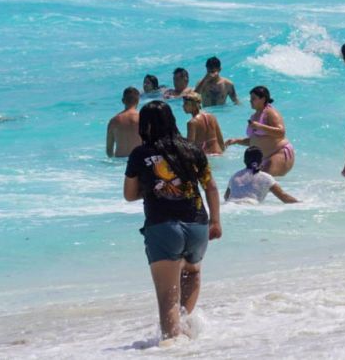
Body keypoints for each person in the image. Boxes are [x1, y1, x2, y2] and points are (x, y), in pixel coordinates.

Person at [122, 101, 221, 341]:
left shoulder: (140, 154)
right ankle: (184, 329)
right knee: (192, 273)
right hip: (197, 224)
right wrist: (215, 221)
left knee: (167, 297)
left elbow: (129, 194)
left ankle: (172, 345)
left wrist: (155, 188)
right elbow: (210, 186)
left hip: (163, 227)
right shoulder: (192, 149)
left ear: (144, 126)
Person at [224, 86, 294, 176]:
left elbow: (281, 132)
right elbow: (255, 141)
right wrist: (237, 141)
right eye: (250, 98)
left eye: (253, 98)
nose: (250, 101)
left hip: (278, 153)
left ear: (263, 99)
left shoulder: (270, 113)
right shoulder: (254, 116)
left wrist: (260, 126)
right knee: (258, 183)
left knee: (262, 183)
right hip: (264, 158)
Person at [225, 147, 298, 204]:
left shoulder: (235, 176)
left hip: (230, 205)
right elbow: (284, 197)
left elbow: (226, 197)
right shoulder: (266, 177)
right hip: (249, 206)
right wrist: (301, 204)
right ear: (261, 161)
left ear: (244, 161)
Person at [180, 89, 225, 156]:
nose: (183, 106)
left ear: (194, 105)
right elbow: (221, 141)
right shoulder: (212, 117)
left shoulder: (192, 123)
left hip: (205, 156)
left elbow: (190, 147)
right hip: (218, 153)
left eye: (186, 103)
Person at [106, 87, 142, 158]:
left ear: (123, 101)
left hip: (119, 162)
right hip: (137, 160)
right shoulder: (142, 118)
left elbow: (109, 151)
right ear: (138, 101)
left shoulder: (113, 121)